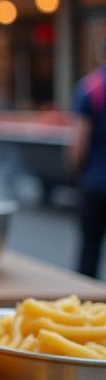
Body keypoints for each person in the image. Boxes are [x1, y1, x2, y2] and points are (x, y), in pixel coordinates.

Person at [71, 39, 106, 278]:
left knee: (90, 250)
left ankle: (87, 308)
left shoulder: (91, 87)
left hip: (95, 183)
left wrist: (76, 171)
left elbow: (78, 144)